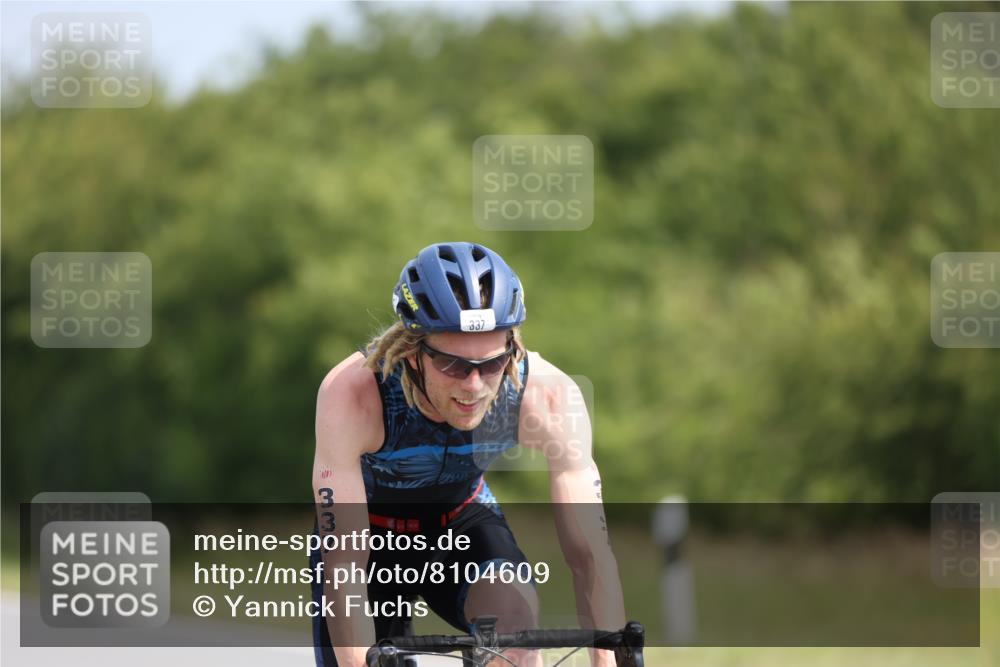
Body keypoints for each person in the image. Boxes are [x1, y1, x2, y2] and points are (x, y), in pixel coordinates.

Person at [311, 242, 626, 667]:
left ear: (512, 348)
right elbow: (345, 563)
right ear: (411, 351)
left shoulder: (546, 395)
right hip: (368, 535)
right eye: (454, 366)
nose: (475, 385)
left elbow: (590, 556)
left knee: (515, 635)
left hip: (461, 523)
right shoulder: (354, 394)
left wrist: (608, 662)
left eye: (492, 364)